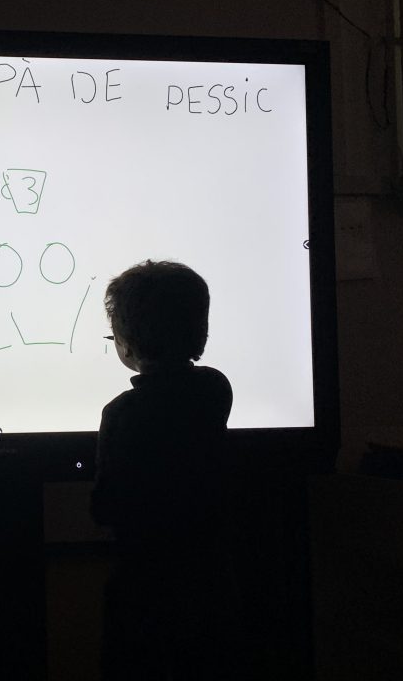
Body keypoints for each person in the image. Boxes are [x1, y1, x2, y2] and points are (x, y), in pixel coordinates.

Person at [90, 260, 242, 681]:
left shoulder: (121, 413)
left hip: (142, 586)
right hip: (210, 576)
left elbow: (106, 505)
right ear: (201, 332)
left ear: (125, 345)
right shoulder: (216, 390)